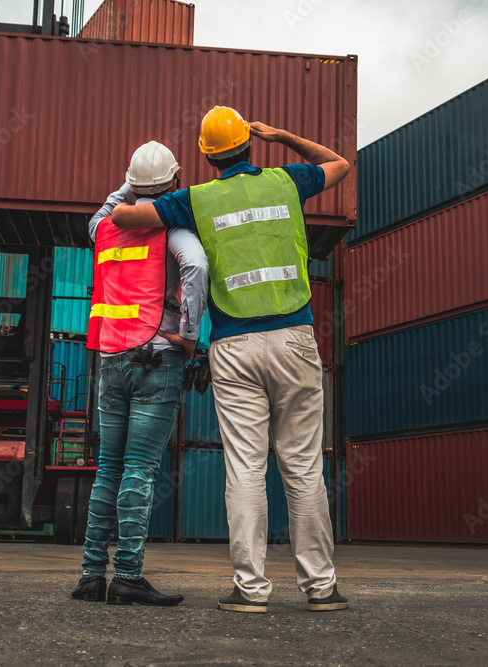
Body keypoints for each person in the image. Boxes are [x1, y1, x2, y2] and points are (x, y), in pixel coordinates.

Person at [111, 107, 351, 613]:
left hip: (234, 347)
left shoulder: (195, 200)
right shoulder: (287, 181)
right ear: (250, 143)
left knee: (245, 467)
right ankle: (321, 588)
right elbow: (339, 163)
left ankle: (250, 591)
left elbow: (122, 217)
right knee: (305, 467)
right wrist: (283, 135)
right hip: (295, 339)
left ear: (204, 155)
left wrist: (134, 187)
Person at [71, 141, 208, 606]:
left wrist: (132, 183)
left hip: (111, 359)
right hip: (157, 360)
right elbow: (196, 266)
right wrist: (189, 335)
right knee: (140, 470)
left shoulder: (103, 228)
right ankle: (127, 575)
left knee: (107, 467)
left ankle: (91, 575)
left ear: (131, 181)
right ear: (175, 180)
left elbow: (107, 207)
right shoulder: (172, 230)